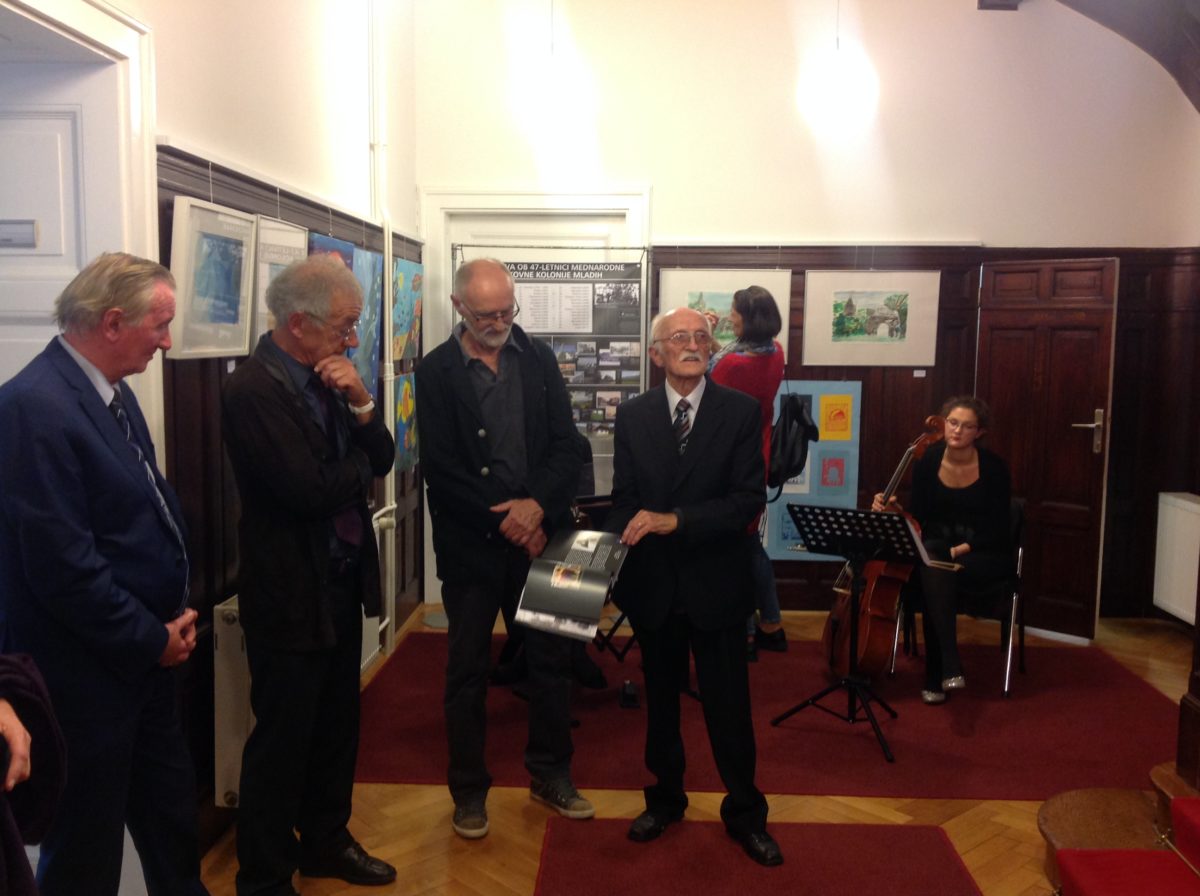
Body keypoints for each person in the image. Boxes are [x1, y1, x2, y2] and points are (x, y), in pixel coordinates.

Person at [0, 252, 207, 895]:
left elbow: (139, 513)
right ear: (113, 322)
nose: (167, 342)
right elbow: (63, 569)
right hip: (85, 681)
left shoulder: (109, 390)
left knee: (172, 826)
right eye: (160, 325)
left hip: (142, 670)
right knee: (84, 853)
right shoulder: (33, 407)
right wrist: (150, 639)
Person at [222, 254, 397, 894]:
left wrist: (361, 401)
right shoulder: (253, 390)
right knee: (283, 741)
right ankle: (265, 876)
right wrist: (357, 471)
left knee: (336, 727)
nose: (351, 339)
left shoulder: (329, 378)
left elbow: (385, 455)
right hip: (288, 592)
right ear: (298, 323)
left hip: (339, 581)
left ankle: (326, 841)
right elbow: (306, 490)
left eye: (354, 326)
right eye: (343, 326)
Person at [415, 258, 593, 840]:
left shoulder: (539, 358)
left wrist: (536, 507)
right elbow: (442, 470)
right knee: (467, 671)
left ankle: (552, 775)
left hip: (549, 537)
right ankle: (468, 792)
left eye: (506, 311)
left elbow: (568, 447)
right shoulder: (435, 370)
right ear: (458, 307)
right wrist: (513, 522)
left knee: (554, 662)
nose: (498, 323)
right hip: (473, 548)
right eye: (486, 314)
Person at [606, 306, 783, 867]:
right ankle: (665, 800)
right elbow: (625, 499)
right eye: (679, 337)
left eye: (701, 337)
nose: (692, 345)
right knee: (660, 705)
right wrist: (605, 562)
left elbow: (746, 501)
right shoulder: (633, 414)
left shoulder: (739, 411)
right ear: (656, 352)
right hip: (654, 586)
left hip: (717, 584)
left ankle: (746, 813)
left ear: (711, 348)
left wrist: (675, 520)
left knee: (729, 708)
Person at [872, 396, 1011, 704]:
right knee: (934, 567)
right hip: (937, 548)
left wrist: (962, 549)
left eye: (967, 426)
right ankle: (948, 664)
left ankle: (938, 672)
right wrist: (894, 509)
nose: (957, 430)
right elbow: (920, 516)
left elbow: (1000, 527)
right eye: (953, 422)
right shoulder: (928, 460)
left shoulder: (994, 468)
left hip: (982, 551)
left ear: (980, 432)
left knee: (934, 573)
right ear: (944, 423)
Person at [707, 286, 788, 660]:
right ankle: (770, 623)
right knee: (749, 542)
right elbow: (730, 359)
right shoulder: (776, 352)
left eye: (735, 312)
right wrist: (713, 340)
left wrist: (706, 337)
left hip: (729, 462)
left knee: (736, 548)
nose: (730, 316)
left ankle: (748, 634)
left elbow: (706, 381)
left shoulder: (733, 365)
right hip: (759, 454)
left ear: (748, 318)